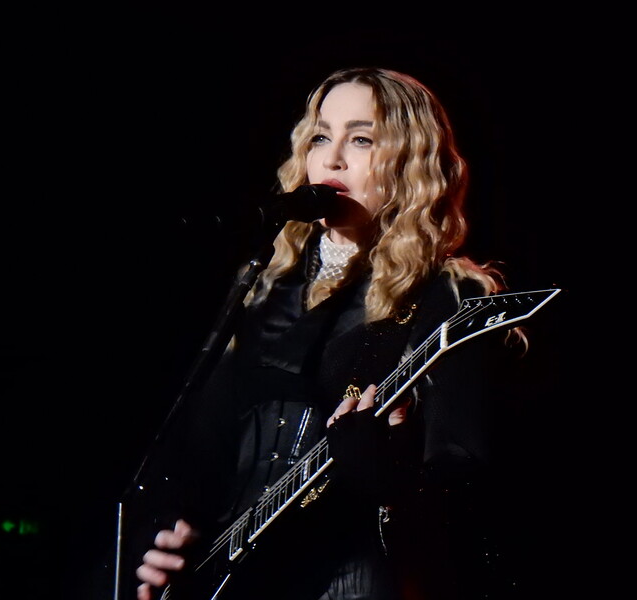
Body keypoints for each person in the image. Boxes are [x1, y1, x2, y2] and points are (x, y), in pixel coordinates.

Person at [125, 66, 554, 600]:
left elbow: (469, 485)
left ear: (411, 161)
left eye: (362, 139)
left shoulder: (446, 292)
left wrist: (389, 474)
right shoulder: (265, 283)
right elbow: (198, 442)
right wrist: (169, 530)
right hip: (238, 581)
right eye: (321, 136)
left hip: (351, 577)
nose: (330, 159)